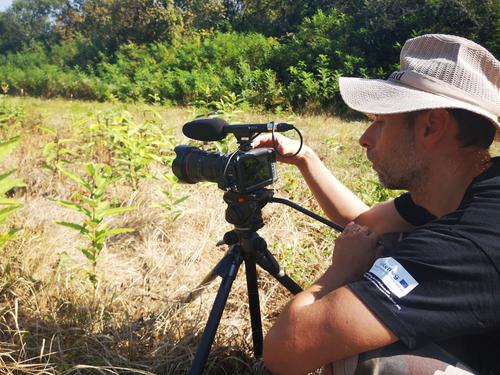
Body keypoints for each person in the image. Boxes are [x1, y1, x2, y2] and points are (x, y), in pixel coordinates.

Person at [254, 34, 500, 375]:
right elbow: (363, 222)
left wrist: (343, 271)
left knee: (375, 361)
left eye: (381, 121)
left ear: (431, 126)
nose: (365, 138)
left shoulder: (469, 239)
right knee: (392, 243)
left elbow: (287, 350)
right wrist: (305, 158)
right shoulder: (465, 188)